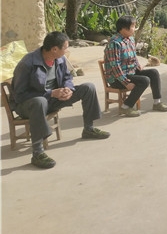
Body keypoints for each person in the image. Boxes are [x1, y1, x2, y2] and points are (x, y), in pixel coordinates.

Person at [12, 32, 110, 169]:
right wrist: (51, 93)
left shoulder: (60, 59)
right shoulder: (28, 63)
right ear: (54, 49)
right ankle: (37, 152)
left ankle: (89, 129)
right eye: (65, 47)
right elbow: (19, 95)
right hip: (28, 105)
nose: (67, 51)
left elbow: (67, 77)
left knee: (88, 87)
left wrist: (68, 89)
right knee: (40, 101)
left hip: (53, 99)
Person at [103, 15, 167, 116]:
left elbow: (133, 56)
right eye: (133, 26)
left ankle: (157, 103)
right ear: (124, 28)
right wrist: (126, 83)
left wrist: (137, 65)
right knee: (144, 80)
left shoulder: (130, 39)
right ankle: (126, 107)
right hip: (117, 78)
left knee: (154, 73)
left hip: (130, 72)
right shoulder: (114, 43)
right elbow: (115, 66)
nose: (135, 28)